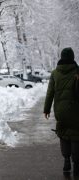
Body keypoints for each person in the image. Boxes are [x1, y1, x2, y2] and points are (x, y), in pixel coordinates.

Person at [44, 47, 79, 177]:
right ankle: (76, 165)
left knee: (63, 135)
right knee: (76, 136)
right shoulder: (77, 71)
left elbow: (50, 93)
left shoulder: (55, 73)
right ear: (72, 57)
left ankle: (66, 162)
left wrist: (46, 109)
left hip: (60, 111)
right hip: (76, 111)